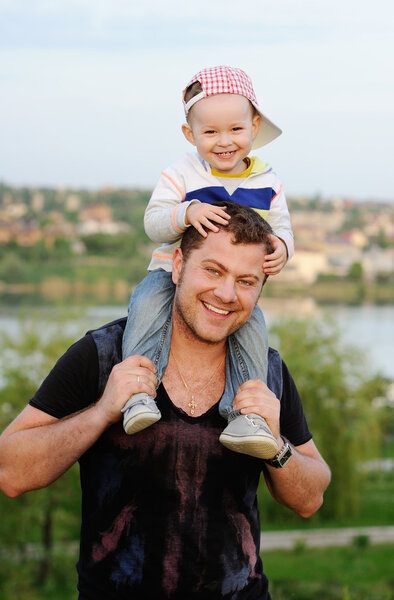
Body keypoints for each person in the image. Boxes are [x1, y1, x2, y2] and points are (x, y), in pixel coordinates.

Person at [0, 204, 331, 600]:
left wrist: (277, 446)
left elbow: (311, 498)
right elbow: (11, 473)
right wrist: (103, 411)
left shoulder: (267, 373)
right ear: (177, 266)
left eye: (246, 281)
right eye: (213, 270)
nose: (226, 294)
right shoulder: (103, 355)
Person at [122, 65, 294, 461]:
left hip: (233, 288)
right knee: (146, 307)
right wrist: (187, 211)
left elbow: (282, 227)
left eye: (235, 129)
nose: (224, 142)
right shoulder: (181, 173)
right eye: (210, 132)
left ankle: (246, 415)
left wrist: (283, 247)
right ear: (190, 134)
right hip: (169, 272)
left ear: (253, 126)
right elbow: (153, 222)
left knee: (254, 331)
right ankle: (137, 393)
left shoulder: (269, 180)